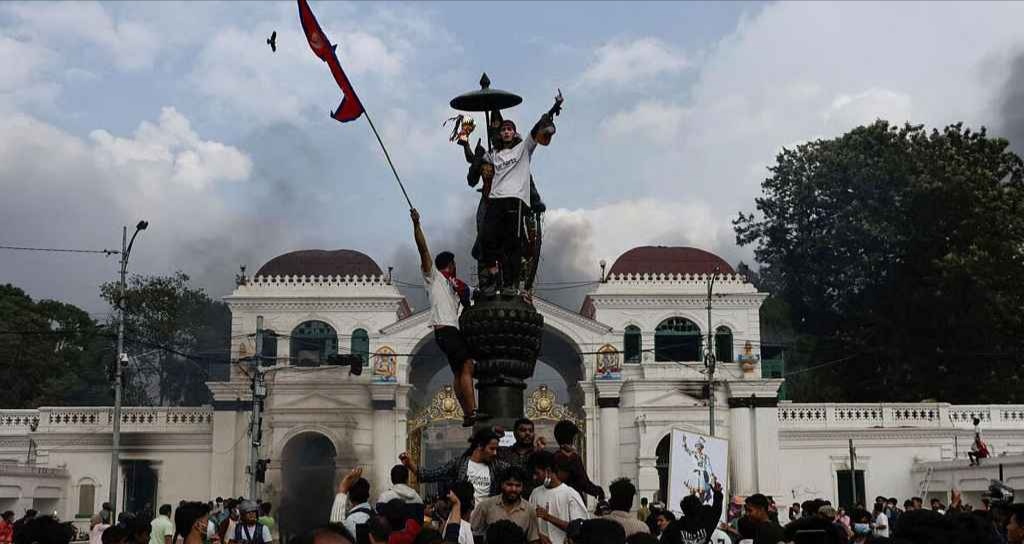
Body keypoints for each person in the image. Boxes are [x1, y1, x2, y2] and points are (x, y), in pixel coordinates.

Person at [476, 91, 564, 296]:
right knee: (486, 238)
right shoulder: (494, 154)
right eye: (504, 130)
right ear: (499, 134)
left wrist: (554, 108)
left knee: (512, 244)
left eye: (510, 129)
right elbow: (477, 166)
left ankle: (509, 284)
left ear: (514, 133)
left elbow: (538, 127)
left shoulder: (524, 149)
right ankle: (493, 271)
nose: (506, 132)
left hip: (515, 201)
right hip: (495, 200)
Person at [410, 208, 484, 427]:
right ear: (450, 264)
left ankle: (467, 413)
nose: (456, 267)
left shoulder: (456, 286)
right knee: (468, 365)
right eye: (454, 264)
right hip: (446, 330)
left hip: (450, 332)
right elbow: (423, 250)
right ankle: (472, 412)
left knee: (460, 370)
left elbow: (478, 293)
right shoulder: (434, 278)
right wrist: (416, 225)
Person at [401, 428, 510, 502]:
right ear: (480, 446)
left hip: (486, 522)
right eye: (492, 449)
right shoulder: (459, 464)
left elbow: (517, 472)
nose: (495, 453)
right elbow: (430, 475)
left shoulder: (496, 466)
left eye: (496, 449)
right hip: (463, 520)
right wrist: (410, 464)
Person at [528, 450, 589, 544]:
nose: (534, 477)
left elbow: (580, 528)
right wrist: (539, 536)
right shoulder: (535, 493)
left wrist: (548, 517)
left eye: (537, 473)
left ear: (548, 471)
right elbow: (530, 524)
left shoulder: (570, 494)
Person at [471, 466, 541, 544]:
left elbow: (533, 540)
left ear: (522, 487)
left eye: (518, 486)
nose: (513, 489)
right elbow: (473, 533)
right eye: (509, 485)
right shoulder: (486, 506)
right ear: (502, 484)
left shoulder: (529, 510)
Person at [551, 421, 605, 504]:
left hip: (556, 499)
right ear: (571, 439)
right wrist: (598, 491)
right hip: (573, 500)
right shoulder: (573, 458)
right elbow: (583, 483)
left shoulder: (554, 457)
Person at [497, 418, 546, 499]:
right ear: (515, 433)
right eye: (523, 430)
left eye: (530, 431)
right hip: (507, 500)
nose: (527, 433)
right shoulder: (504, 453)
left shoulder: (539, 455)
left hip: (532, 500)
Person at [330, 467, 374, 541]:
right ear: (368, 494)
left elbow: (336, 535)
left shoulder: (352, 520)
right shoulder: (373, 512)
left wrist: (342, 491)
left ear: (350, 497)